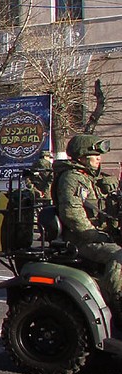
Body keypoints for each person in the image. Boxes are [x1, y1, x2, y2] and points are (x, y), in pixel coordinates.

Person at [54, 134, 122, 312]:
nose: (99, 158)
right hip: (82, 239)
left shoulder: (93, 178)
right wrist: (98, 235)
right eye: (95, 154)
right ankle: (117, 303)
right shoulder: (72, 178)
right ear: (82, 156)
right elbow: (72, 214)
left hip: (102, 235)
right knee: (119, 256)